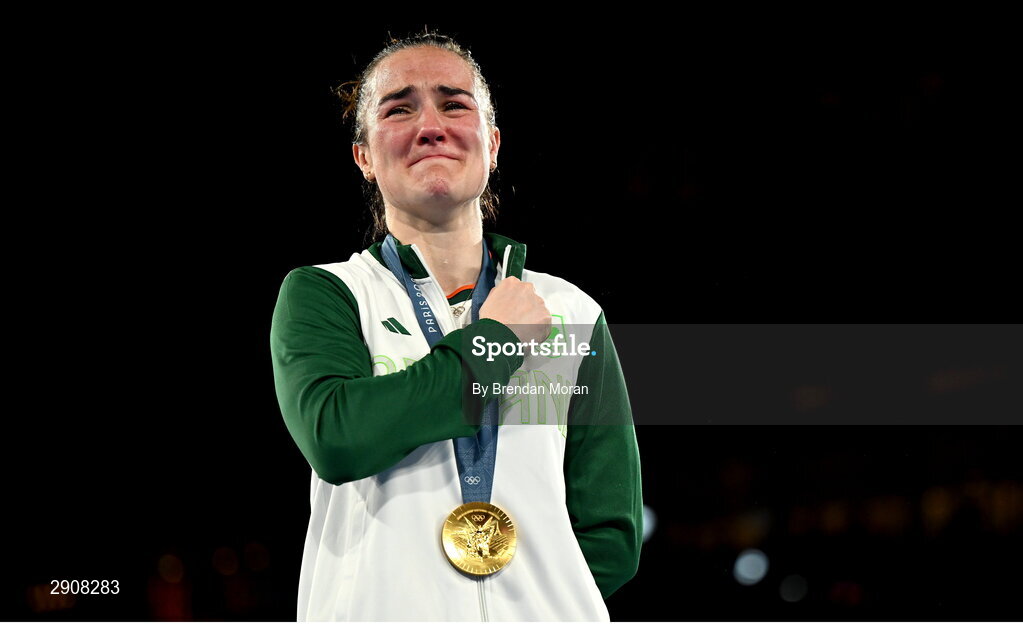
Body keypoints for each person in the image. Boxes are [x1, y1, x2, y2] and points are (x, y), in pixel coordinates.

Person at [270, 32, 642, 621]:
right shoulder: (328, 293)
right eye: (398, 108)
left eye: (454, 104)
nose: (430, 125)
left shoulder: (571, 311)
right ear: (364, 156)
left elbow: (611, 535)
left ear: (492, 144)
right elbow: (337, 437)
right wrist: (495, 346)